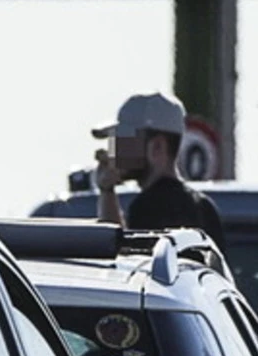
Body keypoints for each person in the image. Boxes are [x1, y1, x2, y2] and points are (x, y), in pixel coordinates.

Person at [94, 92, 226, 245]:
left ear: (157, 146)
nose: (115, 151)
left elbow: (123, 253)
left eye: (124, 139)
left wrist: (106, 191)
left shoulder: (148, 207)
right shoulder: (205, 208)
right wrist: (107, 190)